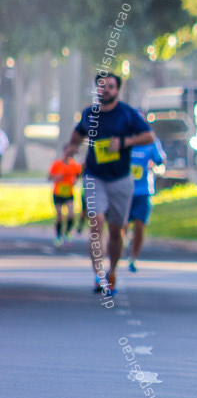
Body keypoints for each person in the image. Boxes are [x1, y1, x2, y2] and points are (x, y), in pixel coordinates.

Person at [66, 73, 155, 296]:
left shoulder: (127, 113)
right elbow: (77, 135)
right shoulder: (89, 113)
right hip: (95, 176)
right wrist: (72, 147)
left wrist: (125, 142)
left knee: (116, 230)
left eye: (110, 87)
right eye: (101, 86)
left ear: (117, 90)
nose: (105, 90)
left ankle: (112, 271)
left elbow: (149, 136)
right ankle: (98, 275)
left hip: (121, 179)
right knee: (96, 223)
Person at [126, 137, 166, 272]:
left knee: (139, 225)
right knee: (121, 226)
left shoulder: (151, 141)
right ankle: (123, 245)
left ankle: (133, 258)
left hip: (143, 191)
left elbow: (161, 162)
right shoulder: (124, 137)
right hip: (124, 191)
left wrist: (155, 167)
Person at [48, 145, 82, 246]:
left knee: (71, 214)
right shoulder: (57, 164)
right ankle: (58, 235)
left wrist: (75, 180)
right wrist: (56, 177)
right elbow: (49, 177)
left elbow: (79, 175)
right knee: (59, 215)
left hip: (69, 193)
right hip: (58, 193)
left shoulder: (75, 165)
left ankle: (67, 232)